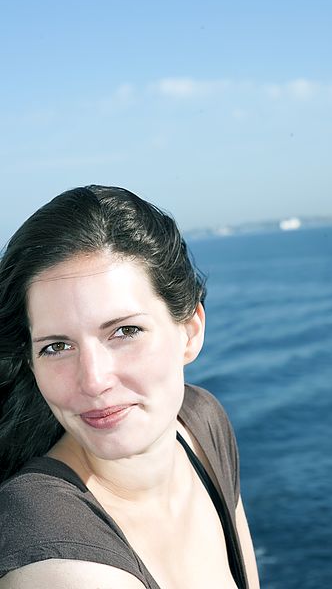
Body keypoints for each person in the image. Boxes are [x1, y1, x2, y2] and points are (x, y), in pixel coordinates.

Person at [0, 185, 260, 589]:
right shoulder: (55, 556)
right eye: (57, 346)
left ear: (190, 331)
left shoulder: (204, 423)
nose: (94, 380)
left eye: (125, 331)